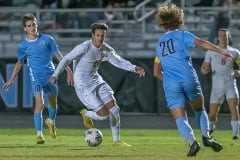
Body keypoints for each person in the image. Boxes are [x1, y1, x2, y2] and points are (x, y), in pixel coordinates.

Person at [153, 4, 232, 157]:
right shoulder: (182, 35)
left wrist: (169, 81)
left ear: (162, 23)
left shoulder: (159, 45)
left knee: (180, 117)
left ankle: (192, 142)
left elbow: (156, 72)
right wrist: (221, 50)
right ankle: (206, 136)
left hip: (170, 83)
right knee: (199, 109)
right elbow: (201, 43)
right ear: (178, 20)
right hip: (187, 77)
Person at [50, 22, 145, 147]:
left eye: (103, 36)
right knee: (104, 114)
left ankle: (116, 141)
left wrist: (134, 68)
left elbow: (118, 61)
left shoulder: (106, 49)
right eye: (98, 35)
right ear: (92, 35)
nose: (100, 38)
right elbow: (66, 59)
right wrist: (55, 75)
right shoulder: (84, 47)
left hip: (96, 80)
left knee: (115, 109)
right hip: (83, 85)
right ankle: (86, 114)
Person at [2, 13, 74, 144]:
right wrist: (11, 79)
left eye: (33, 24)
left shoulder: (47, 39)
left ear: (37, 24)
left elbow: (59, 56)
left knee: (53, 104)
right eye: (29, 26)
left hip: (51, 76)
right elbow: (19, 63)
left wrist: (68, 70)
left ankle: (51, 122)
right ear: (25, 28)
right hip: (36, 77)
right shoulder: (23, 46)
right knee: (40, 104)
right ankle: (39, 134)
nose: (32, 27)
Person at [201, 28, 240, 140]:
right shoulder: (211, 52)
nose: (223, 38)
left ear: (228, 37)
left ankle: (235, 134)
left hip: (230, 83)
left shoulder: (235, 52)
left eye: (225, 36)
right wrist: (205, 71)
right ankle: (212, 125)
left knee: (234, 107)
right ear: (218, 38)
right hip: (217, 86)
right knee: (213, 113)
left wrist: (238, 72)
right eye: (221, 36)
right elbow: (204, 69)